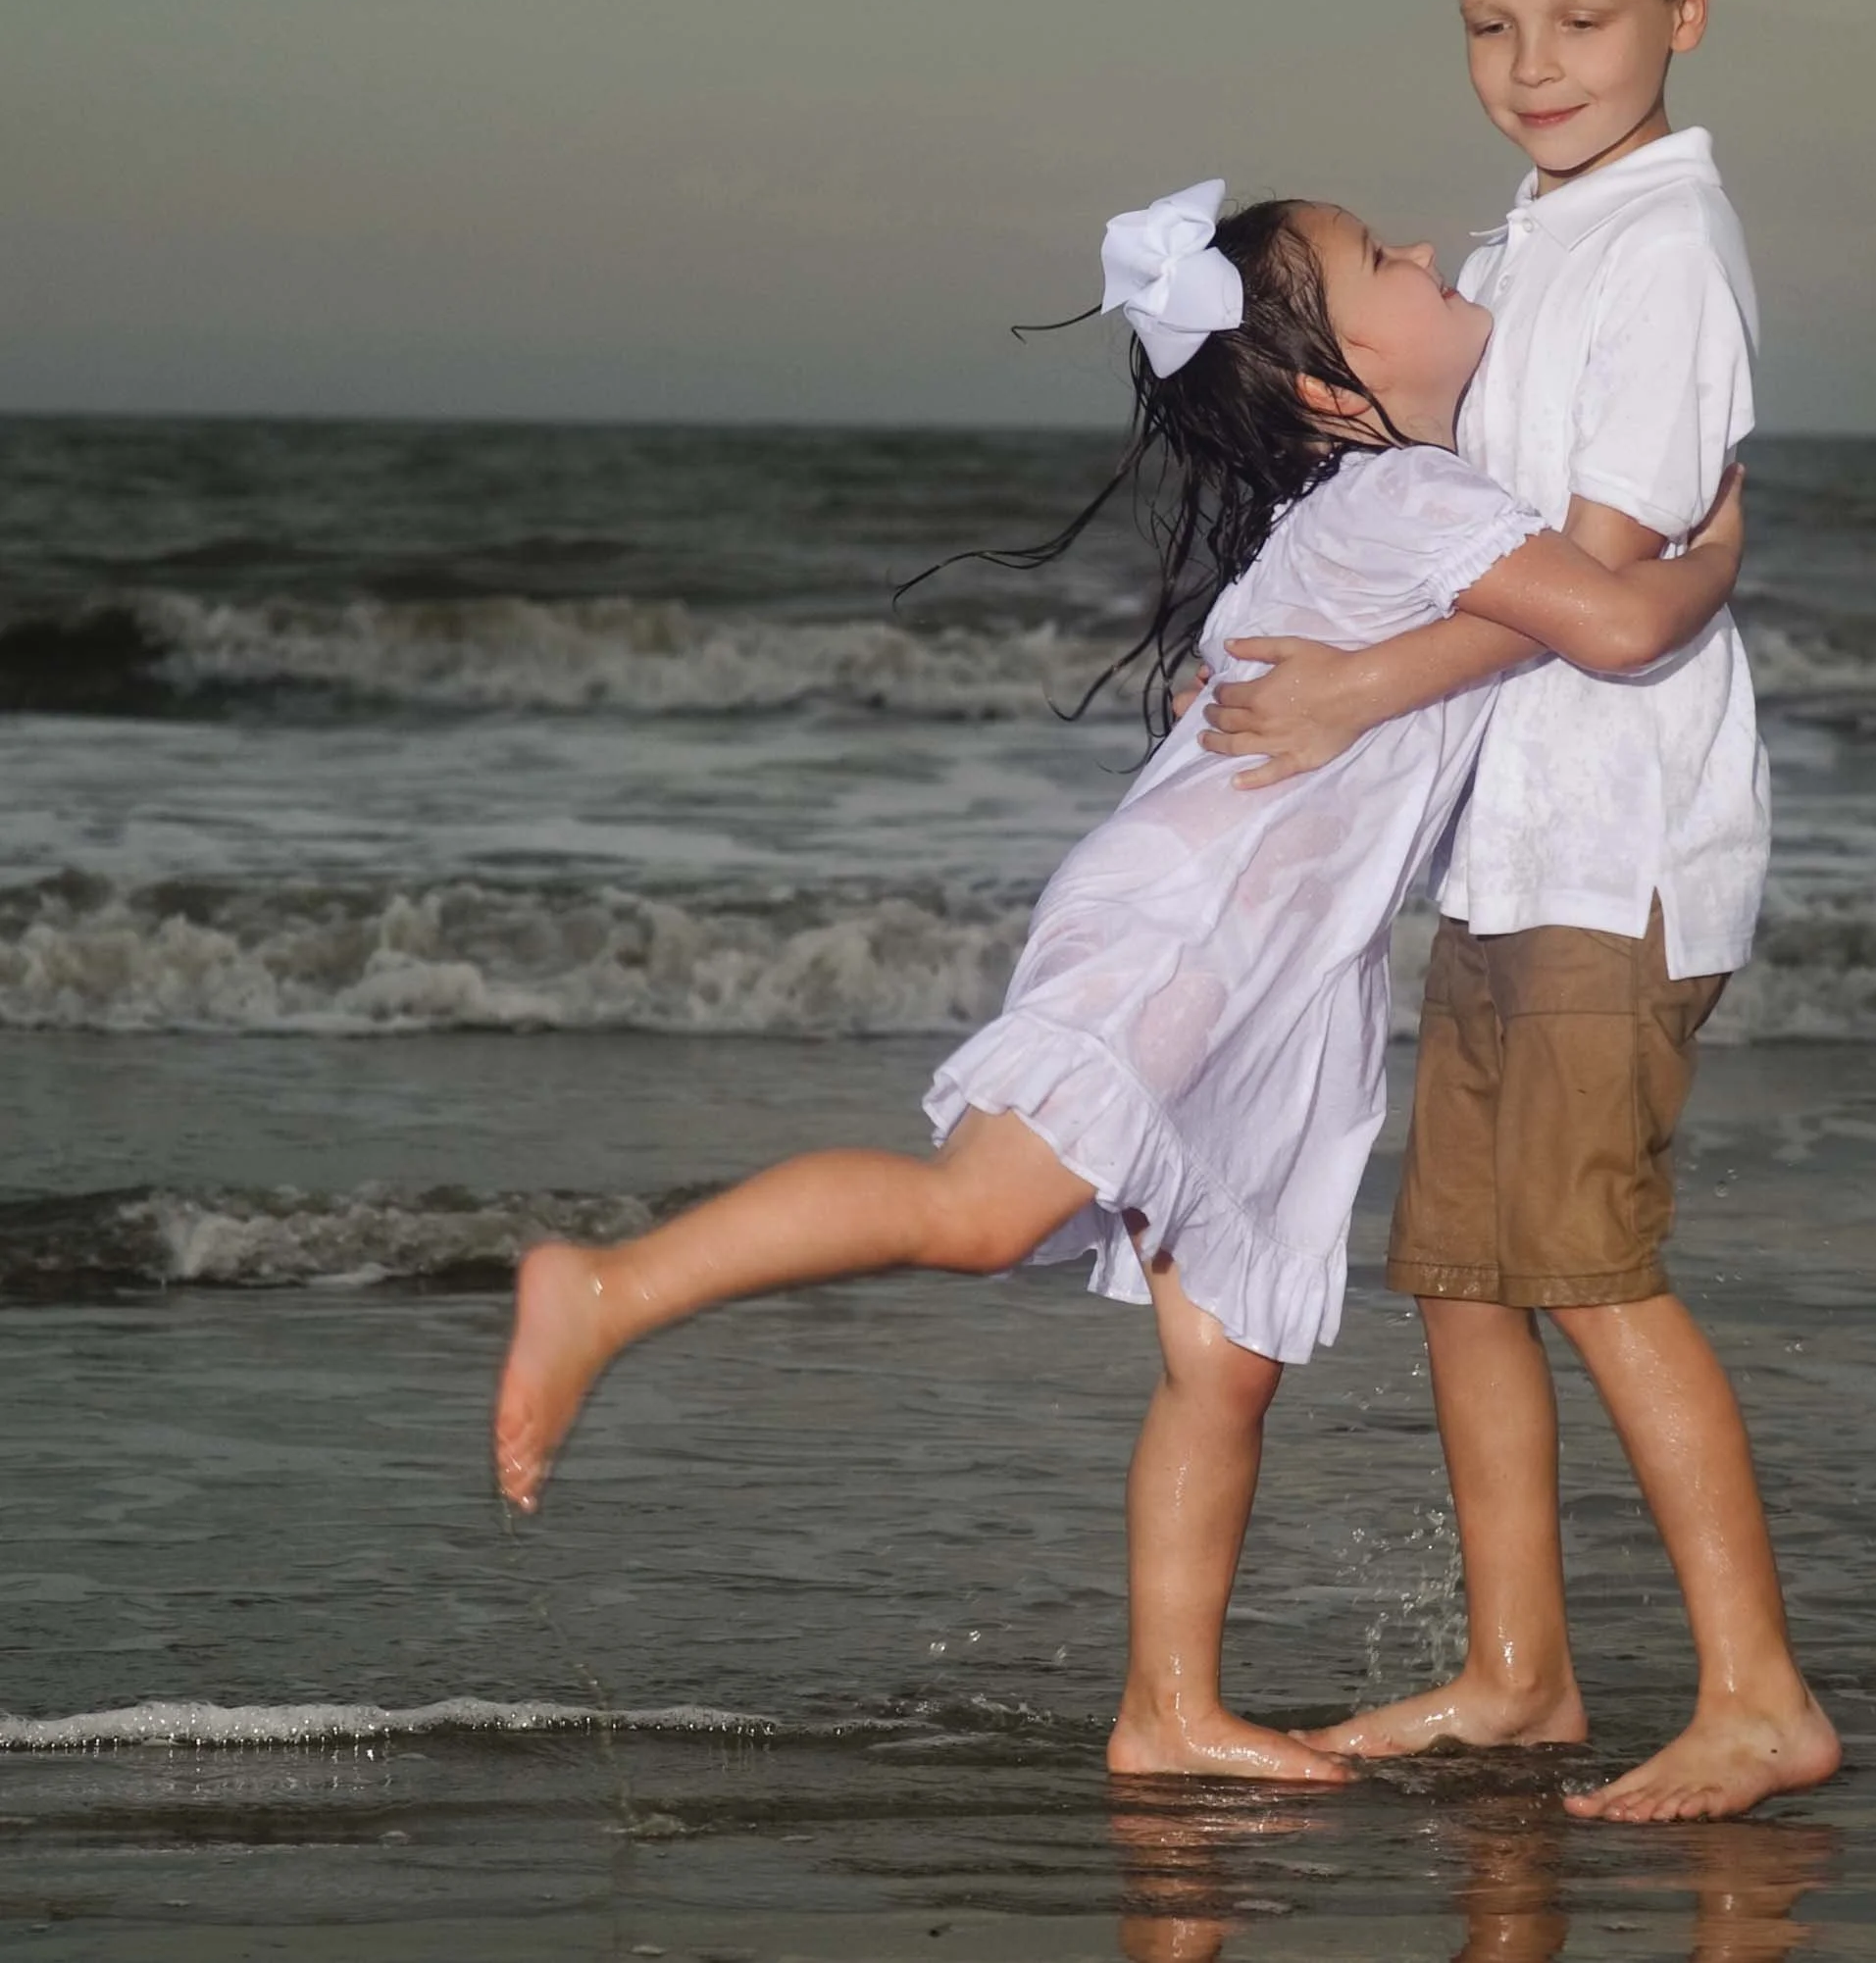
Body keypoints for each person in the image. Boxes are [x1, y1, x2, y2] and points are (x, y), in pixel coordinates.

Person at [492, 176, 1748, 1786]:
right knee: (978, 1210)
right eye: (1385, 261)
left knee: (1222, 1367)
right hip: (1195, 937)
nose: (1430, 254)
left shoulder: (1363, 512)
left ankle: (1168, 1709)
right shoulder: (1415, 506)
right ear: (1322, 380)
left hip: (1274, 970)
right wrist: (1716, 549)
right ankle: (606, 1290)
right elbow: (1620, 626)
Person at [1198, 0, 1841, 1822]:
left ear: (1684, 9)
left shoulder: (1658, 253)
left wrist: (1360, 689)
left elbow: (1600, 594)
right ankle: (1517, 1667)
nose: (1533, 66)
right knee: (1462, 1269)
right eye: (1491, 25)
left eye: (1578, 17)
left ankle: (1754, 1689)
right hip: (1503, 846)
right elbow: (1423, 486)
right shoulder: (1526, 243)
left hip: (1616, 844)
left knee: (1584, 1258)